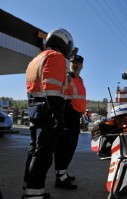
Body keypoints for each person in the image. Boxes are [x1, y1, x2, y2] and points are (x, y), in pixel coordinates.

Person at [23, 28, 74, 199]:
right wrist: (58, 116)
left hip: (34, 109)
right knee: (43, 154)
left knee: (35, 150)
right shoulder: (56, 57)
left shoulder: (36, 59)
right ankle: (34, 193)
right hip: (48, 110)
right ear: (64, 42)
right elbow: (51, 88)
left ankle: (28, 186)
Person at [54, 54, 86, 189]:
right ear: (70, 64)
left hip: (76, 116)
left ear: (82, 66)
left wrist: (81, 116)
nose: (75, 65)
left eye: (78, 63)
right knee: (64, 147)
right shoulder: (67, 78)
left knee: (71, 147)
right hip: (68, 115)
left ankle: (63, 173)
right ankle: (60, 178)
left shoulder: (80, 80)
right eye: (73, 63)